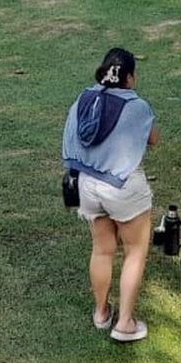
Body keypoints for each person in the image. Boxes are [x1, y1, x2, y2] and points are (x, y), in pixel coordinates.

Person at [62, 47, 160, 343]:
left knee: (102, 250)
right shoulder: (137, 105)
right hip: (123, 187)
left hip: (86, 184)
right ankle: (125, 323)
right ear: (130, 76)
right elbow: (154, 139)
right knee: (135, 252)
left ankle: (101, 312)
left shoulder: (83, 98)